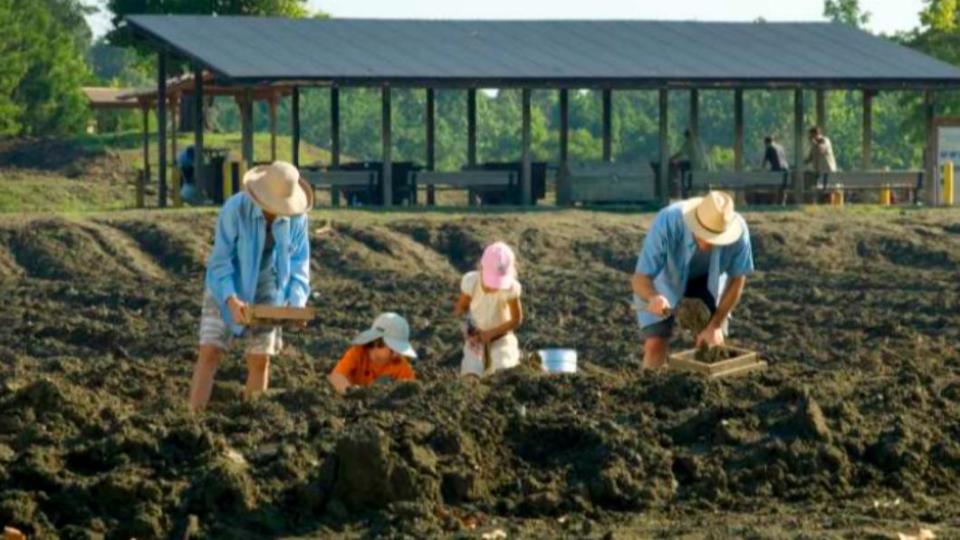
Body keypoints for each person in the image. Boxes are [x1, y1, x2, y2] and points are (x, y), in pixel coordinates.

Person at [188, 161, 313, 411]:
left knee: (259, 359)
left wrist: (296, 305)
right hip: (227, 284)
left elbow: (300, 262)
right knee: (210, 352)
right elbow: (221, 262)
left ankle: (253, 420)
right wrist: (231, 299)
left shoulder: (297, 219)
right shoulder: (235, 209)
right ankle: (192, 418)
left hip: (268, 288)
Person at [631, 191, 754, 370]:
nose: (706, 244)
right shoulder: (667, 221)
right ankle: (648, 388)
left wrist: (715, 324)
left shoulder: (739, 233)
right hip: (665, 278)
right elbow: (639, 278)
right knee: (655, 343)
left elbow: (737, 280)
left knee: (712, 343)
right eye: (702, 234)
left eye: (715, 238)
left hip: (708, 279)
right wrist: (653, 297)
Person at [454, 241, 524, 377]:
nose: (494, 287)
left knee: (503, 373)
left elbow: (517, 319)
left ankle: (515, 357)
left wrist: (491, 333)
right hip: (476, 340)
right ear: (481, 268)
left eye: (498, 282)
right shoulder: (471, 282)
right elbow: (460, 309)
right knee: (471, 375)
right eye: (491, 281)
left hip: (502, 338)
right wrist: (467, 330)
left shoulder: (510, 289)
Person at [328, 312, 417, 395]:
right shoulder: (358, 353)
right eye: (394, 349)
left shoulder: (399, 365)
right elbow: (336, 376)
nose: (398, 354)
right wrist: (352, 392)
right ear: (378, 343)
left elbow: (411, 389)